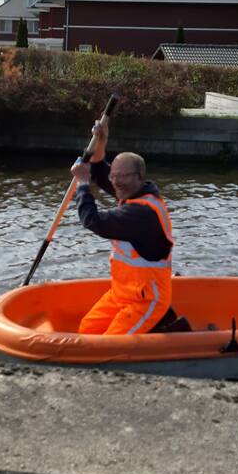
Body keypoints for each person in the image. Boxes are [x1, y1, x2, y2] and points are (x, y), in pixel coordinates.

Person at [69, 120, 180, 335]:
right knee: (87, 329)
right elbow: (100, 170)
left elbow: (94, 221)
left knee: (110, 344)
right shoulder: (131, 191)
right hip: (122, 293)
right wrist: (102, 140)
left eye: (122, 176)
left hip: (147, 299)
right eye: (114, 175)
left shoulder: (141, 213)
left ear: (139, 177)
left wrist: (83, 183)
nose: (116, 181)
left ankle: (158, 332)